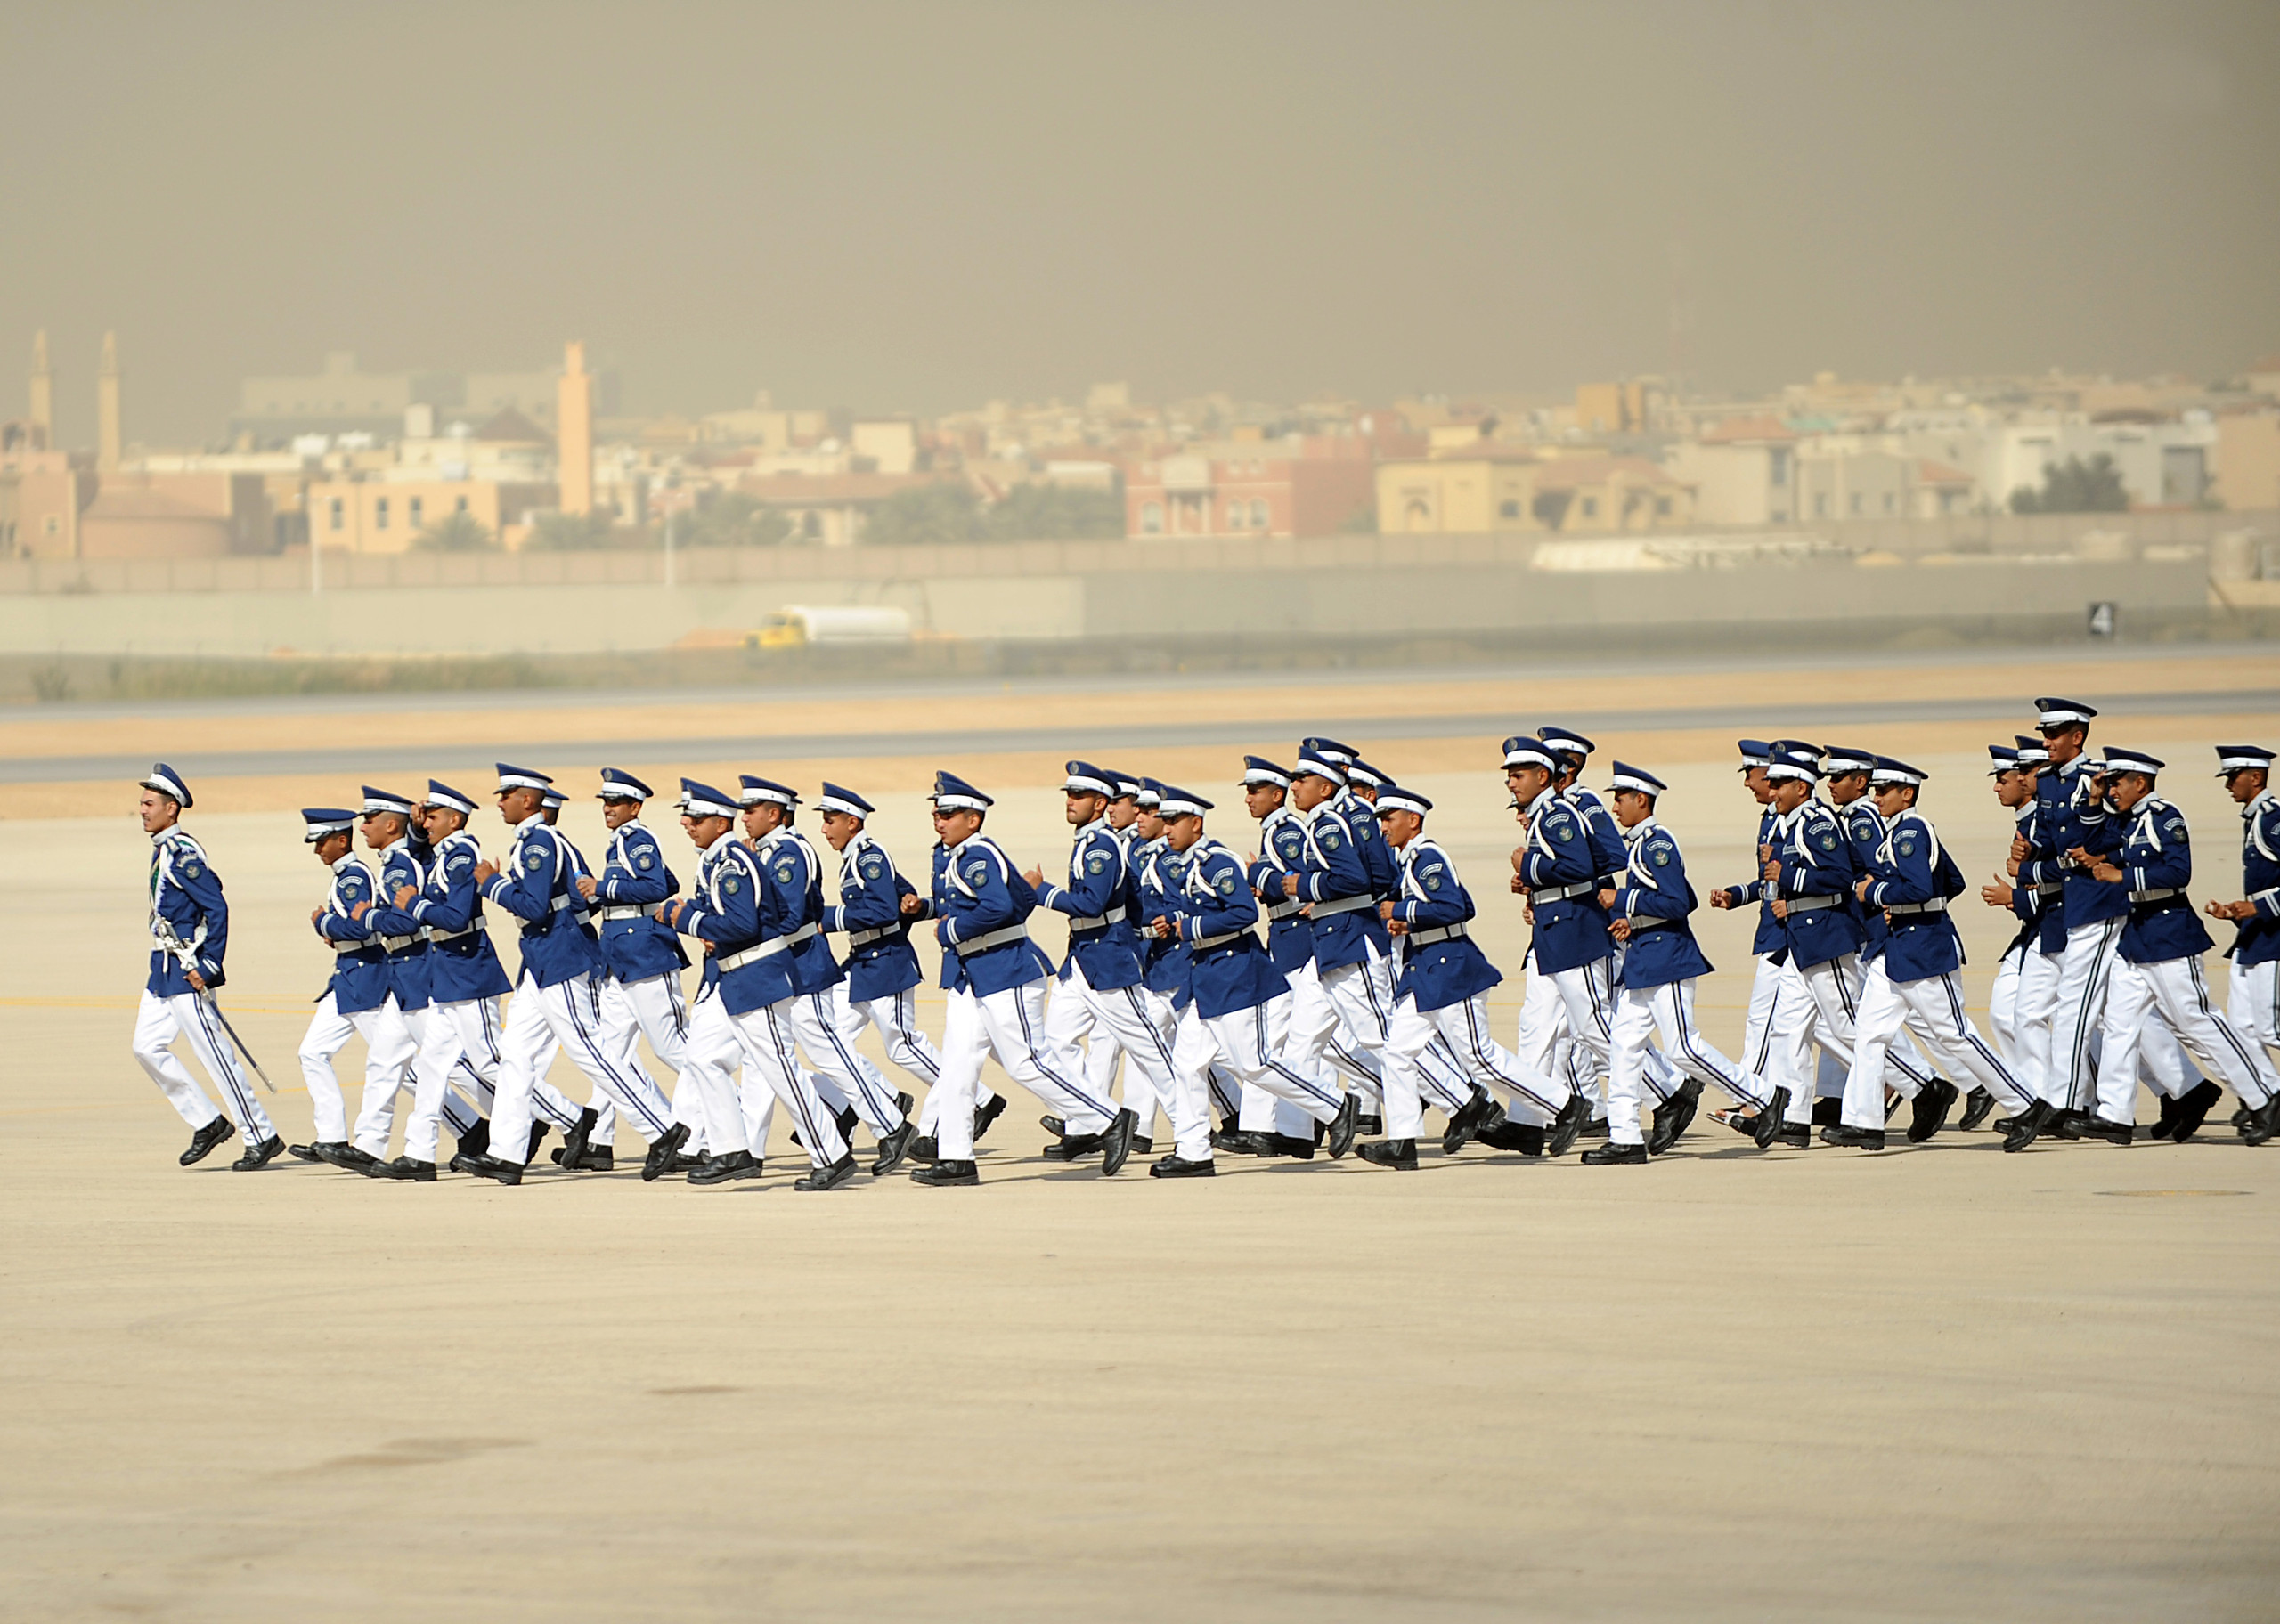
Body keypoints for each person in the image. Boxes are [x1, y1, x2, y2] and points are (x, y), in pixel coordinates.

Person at [908, 771, 1136, 1186]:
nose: (939, 821)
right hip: (971, 976)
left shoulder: (977, 855)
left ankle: (1109, 1119)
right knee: (957, 1070)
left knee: (1026, 1063)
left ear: (973, 820)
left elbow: (995, 908)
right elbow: (1015, 900)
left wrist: (949, 930)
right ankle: (956, 1158)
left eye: (949, 814)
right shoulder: (952, 855)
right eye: (937, 813)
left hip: (1005, 970)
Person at [468, 764, 688, 1185]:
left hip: (561, 955)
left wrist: (492, 884)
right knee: (514, 1054)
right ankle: (506, 1154)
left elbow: (533, 907)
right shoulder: (536, 842)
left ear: (527, 800)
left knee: (590, 1049)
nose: (499, 802)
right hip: (540, 958)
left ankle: (661, 1128)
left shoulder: (540, 843)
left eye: (507, 794)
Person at [1147, 783, 1360, 1178]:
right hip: (1206, 980)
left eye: (1174, 821)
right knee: (1187, 1064)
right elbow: (1190, 917)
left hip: (1237, 977)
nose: (1167, 828)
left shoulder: (1217, 862)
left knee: (1256, 1065)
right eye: (1165, 821)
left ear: (1196, 823)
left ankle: (1335, 1106)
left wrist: (1190, 925)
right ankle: (1194, 1152)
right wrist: (1172, 926)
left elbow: (1244, 913)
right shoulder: (1188, 866)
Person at [1366, 782, 1582, 1169]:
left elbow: (1454, 909)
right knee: (1396, 1051)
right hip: (1425, 973)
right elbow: (1461, 901)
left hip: (1450, 970)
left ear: (1412, 821)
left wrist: (1402, 912)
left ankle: (1567, 1105)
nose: (1383, 825)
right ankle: (1402, 1143)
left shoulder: (1427, 856)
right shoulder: (1411, 859)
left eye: (1389, 818)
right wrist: (1409, 923)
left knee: (1480, 1058)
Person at [657, 778, 857, 1188]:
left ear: (719, 822)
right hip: (733, 978)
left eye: (696, 818)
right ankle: (733, 1150)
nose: (687, 824)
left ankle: (831, 1154)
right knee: (702, 1058)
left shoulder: (732, 861)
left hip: (758, 976)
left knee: (780, 1068)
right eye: (687, 818)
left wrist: (686, 921)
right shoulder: (717, 860)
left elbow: (743, 924)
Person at [2073, 749, 2279, 1145]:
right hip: (2139, 939)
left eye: (2118, 782)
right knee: (2119, 1023)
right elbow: (2095, 841)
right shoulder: (2130, 821)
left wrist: (2124, 876)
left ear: (2141, 783)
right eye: (2111, 783)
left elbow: (2178, 872)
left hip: (2169, 934)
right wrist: (2094, 798)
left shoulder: (2164, 817)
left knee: (2195, 1020)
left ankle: (2265, 1095)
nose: (2113, 789)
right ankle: (2114, 1115)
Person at [1758, 741, 1956, 1146]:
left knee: (1850, 1026)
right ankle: (1794, 1117)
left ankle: (1925, 1084)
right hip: (1803, 937)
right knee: (1788, 1027)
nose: (1770, 789)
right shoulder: (1796, 823)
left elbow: (1844, 876)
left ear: (1801, 785)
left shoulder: (1818, 824)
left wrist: (1878, 902)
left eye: (1779, 782)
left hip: (1828, 935)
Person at [376, 780, 576, 1178]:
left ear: (454, 820)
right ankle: (418, 1154)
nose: (425, 823)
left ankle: (570, 1118)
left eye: (433, 817)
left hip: (469, 971)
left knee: (490, 1060)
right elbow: (422, 857)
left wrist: (414, 904)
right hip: (447, 973)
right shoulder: (445, 851)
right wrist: (415, 831)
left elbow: (457, 917)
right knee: (432, 1064)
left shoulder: (462, 855)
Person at [1833, 759, 2035, 1152]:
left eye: (1883, 791)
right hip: (1895, 948)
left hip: (1925, 948)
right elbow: (1952, 881)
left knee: (1955, 1034)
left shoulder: (1912, 829)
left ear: (1907, 793)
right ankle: (1864, 1123)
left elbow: (1921, 888)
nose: (1876, 797)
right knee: (1869, 1035)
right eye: (1874, 790)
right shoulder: (1897, 833)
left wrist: (1876, 894)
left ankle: (2025, 1102)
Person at [1590, 764, 1789, 1165]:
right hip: (1645, 960)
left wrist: (1623, 900)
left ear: (1640, 801)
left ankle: (1765, 1096)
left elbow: (1680, 902)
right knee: (1623, 1047)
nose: (1614, 807)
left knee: (1683, 1049)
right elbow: (1672, 901)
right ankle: (1625, 1136)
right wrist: (1631, 922)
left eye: (1620, 799)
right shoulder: (1641, 844)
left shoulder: (1656, 843)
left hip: (1668, 960)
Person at [734, 775, 914, 1174]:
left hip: (803, 966)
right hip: (783, 968)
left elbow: (790, 916)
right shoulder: (768, 852)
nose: (743, 817)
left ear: (774, 813)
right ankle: (751, 1147)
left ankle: (891, 1124)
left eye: (750, 810)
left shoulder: (789, 854)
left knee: (828, 1052)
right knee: (781, 1056)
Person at [130, 763, 282, 1169]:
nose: (142, 810)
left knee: (215, 1055)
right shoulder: (163, 849)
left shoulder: (183, 855)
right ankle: (208, 1121)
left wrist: (210, 963)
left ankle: (261, 1134)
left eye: (149, 803)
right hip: (161, 968)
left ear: (171, 809)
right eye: (141, 803)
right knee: (146, 1047)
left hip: (186, 967)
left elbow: (217, 907)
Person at [1026, 761, 1181, 1156]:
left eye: (1078, 796)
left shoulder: (1101, 846)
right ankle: (1092, 1121)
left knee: (1148, 1048)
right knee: (1055, 1043)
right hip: (1081, 960)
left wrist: (1041, 891)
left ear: (1099, 803)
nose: (1070, 801)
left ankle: (1191, 1134)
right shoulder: (1087, 841)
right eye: (1068, 794)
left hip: (1109, 960)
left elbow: (1092, 904)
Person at [816, 781, 963, 1162]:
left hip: (886, 965)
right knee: (828, 1039)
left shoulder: (869, 855)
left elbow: (882, 911)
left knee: (902, 1046)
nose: (824, 828)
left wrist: (829, 918)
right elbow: (899, 898)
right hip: (863, 965)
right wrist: (912, 902)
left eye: (830, 820)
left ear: (852, 822)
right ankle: (883, 1099)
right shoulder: (856, 857)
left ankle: (973, 1095)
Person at [572, 769, 696, 1171]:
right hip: (622, 963)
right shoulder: (621, 843)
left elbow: (656, 886)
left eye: (616, 803)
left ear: (634, 808)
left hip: (646, 957)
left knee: (672, 1047)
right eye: (605, 803)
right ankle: (598, 1142)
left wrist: (603, 889)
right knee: (609, 1053)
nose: (607, 809)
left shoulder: (637, 839)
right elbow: (667, 880)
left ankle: (735, 1115)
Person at [292, 805, 418, 1172]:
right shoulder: (344, 874)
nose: (318, 851)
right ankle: (330, 1136)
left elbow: (363, 927)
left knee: (402, 1069)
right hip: (346, 978)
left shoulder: (352, 877)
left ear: (340, 839)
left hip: (365, 978)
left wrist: (324, 923)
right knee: (312, 1053)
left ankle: (469, 1124)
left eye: (321, 843)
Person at [1981, 741, 2062, 1132]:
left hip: (2057, 931)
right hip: (2034, 932)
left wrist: (2014, 894)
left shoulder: (2044, 823)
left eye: (2004, 778)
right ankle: (2035, 1099)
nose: (1998, 786)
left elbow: (2061, 888)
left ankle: (2060, 1101)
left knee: (2070, 1022)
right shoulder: (2027, 823)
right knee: (2005, 1013)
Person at [2206, 744, 2280, 1119]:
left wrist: (2259, 908)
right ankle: (2270, 1096)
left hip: (2273, 940)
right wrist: (2238, 911)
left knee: (2271, 1029)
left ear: (2256, 777)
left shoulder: (2272, 819)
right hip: (2252, 937)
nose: (2228, 785)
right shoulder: (2254, 818)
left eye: (2233, 777)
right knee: (2242, 1029)